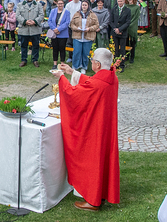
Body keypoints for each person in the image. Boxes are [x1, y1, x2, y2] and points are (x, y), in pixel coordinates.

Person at [50, 49, 120, 211]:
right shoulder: (112, 78)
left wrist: (61, 78)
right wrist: (72, 72)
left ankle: (93, 200)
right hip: (106, 127)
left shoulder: (98, 83)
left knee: (92, 160)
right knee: (103, 159)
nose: (91, 62)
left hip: (95, 128)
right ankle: (101, 194)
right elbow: (91, 81)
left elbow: (73, 94)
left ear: (98, 64)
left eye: (93, 60)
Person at [69, 0, 99, 72]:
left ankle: (84, 67)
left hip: (88, 37)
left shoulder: (92, 14)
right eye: (83, 5)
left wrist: (89, 29)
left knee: (85, 53)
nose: (84, 6)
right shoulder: (77, 14)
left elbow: (96, 25)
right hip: (77, 36)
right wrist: (76, 28)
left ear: (88, 6)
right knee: (76, 52)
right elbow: (71, 24)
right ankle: (75, 66)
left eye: (85, 5)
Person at [16, 0, 44, 68]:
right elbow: (17, 15)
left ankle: (35, 60)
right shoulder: (20, 5)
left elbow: (41, 15)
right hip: (24, 28)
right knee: (23, 45)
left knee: (36, 45)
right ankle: (23, 60)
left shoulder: (38, 5)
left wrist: (35, 21)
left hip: (35, 28)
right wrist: (25, 21)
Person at [46, 0, 72, 68]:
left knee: (62, 49)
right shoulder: (53, 11)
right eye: (59, 3)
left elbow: (67, 22)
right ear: (57, 4)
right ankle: (55, 63)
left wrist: (59, 29)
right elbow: (50, 21)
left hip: (63, 34)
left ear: (63, 4)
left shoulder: (67, 12)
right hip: (54, 34)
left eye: (62, 3)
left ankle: (62, 63)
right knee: (55, 49)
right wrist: (54, 29)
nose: (60, 5)